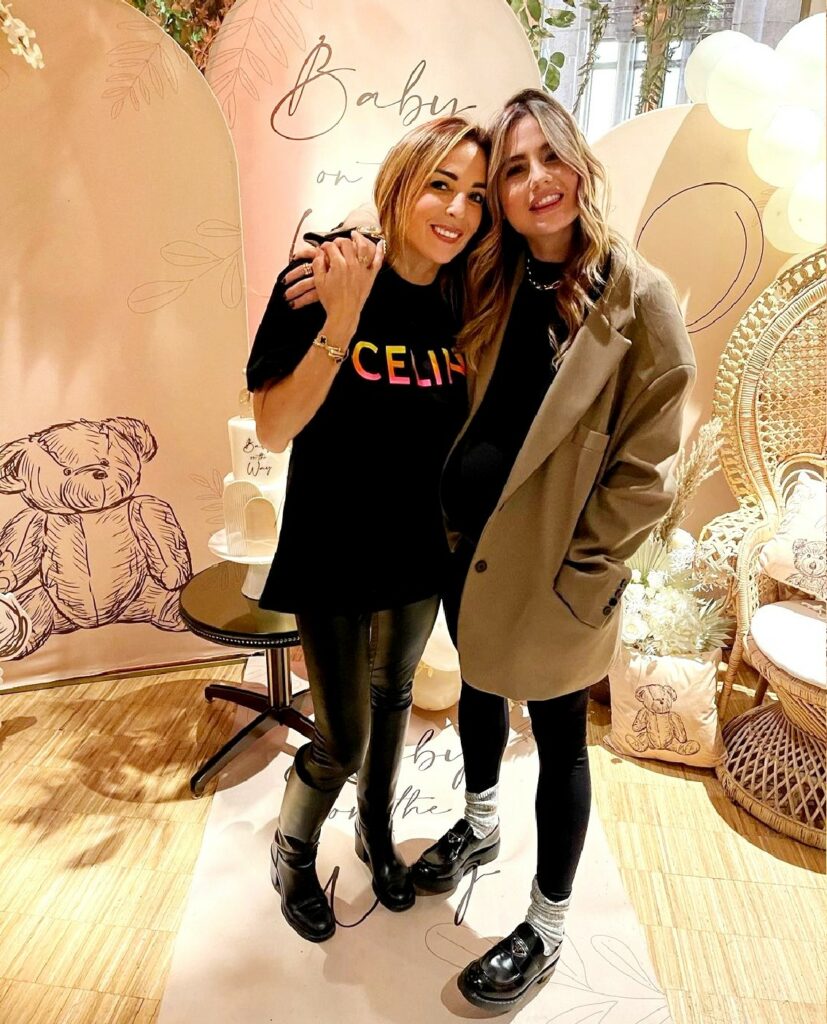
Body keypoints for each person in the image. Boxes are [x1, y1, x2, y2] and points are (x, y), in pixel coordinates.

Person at [405, 89, 696, 1013]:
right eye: (514, 169)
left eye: (549, 159)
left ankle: (547, 922)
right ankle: (479, 823)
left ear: (580, 163)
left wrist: (588, 573)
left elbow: (650, 463)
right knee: (478, 688)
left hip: (560, 571)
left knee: (562, 738)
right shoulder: (485, 277)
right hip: (468, 552)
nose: (536, 182)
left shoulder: (637, 297)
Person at [246, 116, 488, 944]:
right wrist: (339, 326)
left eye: (475, 196)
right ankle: (291, 850)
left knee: (396, 696)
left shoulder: (463, 301)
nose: (456, 210)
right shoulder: (323, 275)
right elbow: (274, 426)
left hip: (419, 545)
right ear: (400, 183)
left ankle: (375, 833)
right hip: (333, 545)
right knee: (342, 738)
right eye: (439, 185)